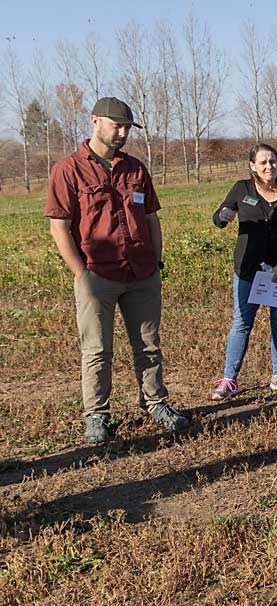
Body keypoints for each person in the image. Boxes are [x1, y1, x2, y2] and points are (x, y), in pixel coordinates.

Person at [46, 97, 189, 444]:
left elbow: (152, 219)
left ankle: (155, 402)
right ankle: (97, 415)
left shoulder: (136, 169)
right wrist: (82, 274)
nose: (123, 133)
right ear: (95, 121)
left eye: (127, 128)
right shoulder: (68, 170)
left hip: (141, 274)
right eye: (117, 126)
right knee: (97, 350)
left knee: (149, 345)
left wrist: (155, 262)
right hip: (98, 276)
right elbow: (59, 226)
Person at [209, 143, 277, 400]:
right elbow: (220, 216)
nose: (268, 166)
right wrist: (223, 216)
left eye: (272, 161)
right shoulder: (242, 189)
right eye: (262, 162)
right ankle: (229, 379)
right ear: (252, 166)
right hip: (249, 270)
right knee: (242, 323)